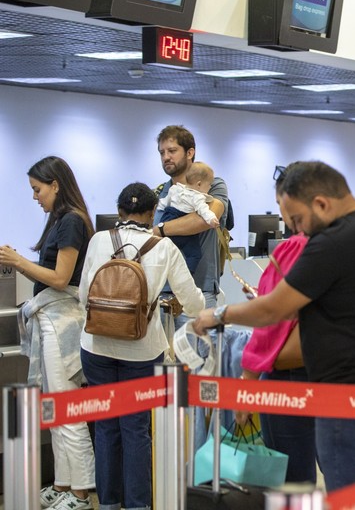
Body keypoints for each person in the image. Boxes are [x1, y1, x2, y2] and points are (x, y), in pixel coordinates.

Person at [191, 161, 355, 492]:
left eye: (298, 220)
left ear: (321, 203)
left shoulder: (332, 241)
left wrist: (218, 315)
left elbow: (275, 308)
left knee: (353, 498)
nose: (297, 229)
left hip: (353, 396)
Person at [79, 183, 205, 510]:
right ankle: (137, 505)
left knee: (106, 427)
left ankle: (108, 503)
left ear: (119, 212)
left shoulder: (98, 241)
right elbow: (193, 302)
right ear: (152, 214)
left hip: (96, 348)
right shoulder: (163, 247)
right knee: (136, 429)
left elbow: (83, 297)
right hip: (142, 351)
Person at [0, 156, 97, 510]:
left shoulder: (72, 221)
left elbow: (59, 279)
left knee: (68, 410)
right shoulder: (59, 221)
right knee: (56, 411)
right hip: (50, 319)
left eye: (37, 190)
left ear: (56, 185)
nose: (35, 197)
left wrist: (17, 262)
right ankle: (62, 484)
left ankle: (82, 492)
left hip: (64, 323)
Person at [236, 168, 316, 484]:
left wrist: (246, 384)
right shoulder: (347, 247)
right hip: (333, 374)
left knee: (291, 479)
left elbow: (269, 324)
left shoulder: (295, 248)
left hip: (289, 375)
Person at [153, 125, 229, 311]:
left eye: (172, 151)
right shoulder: (161, 192)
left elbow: (202, 220)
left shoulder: (212, 185)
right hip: (162, 291)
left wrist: (159, 230)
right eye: (162, 152)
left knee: (199, 341)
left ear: (190, 152)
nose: (166, 157)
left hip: (200, 290)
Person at [156, 161, 221, 273]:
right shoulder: (198, 197)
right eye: (209, 184)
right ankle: (186, 276)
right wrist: (212, 220)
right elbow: (204, 211)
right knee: (194, 255)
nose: (210, 187)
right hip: (184, 227)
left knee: (163, 252)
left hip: (168, 217)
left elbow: (163, 203)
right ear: (199, 184)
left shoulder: (174, 189)